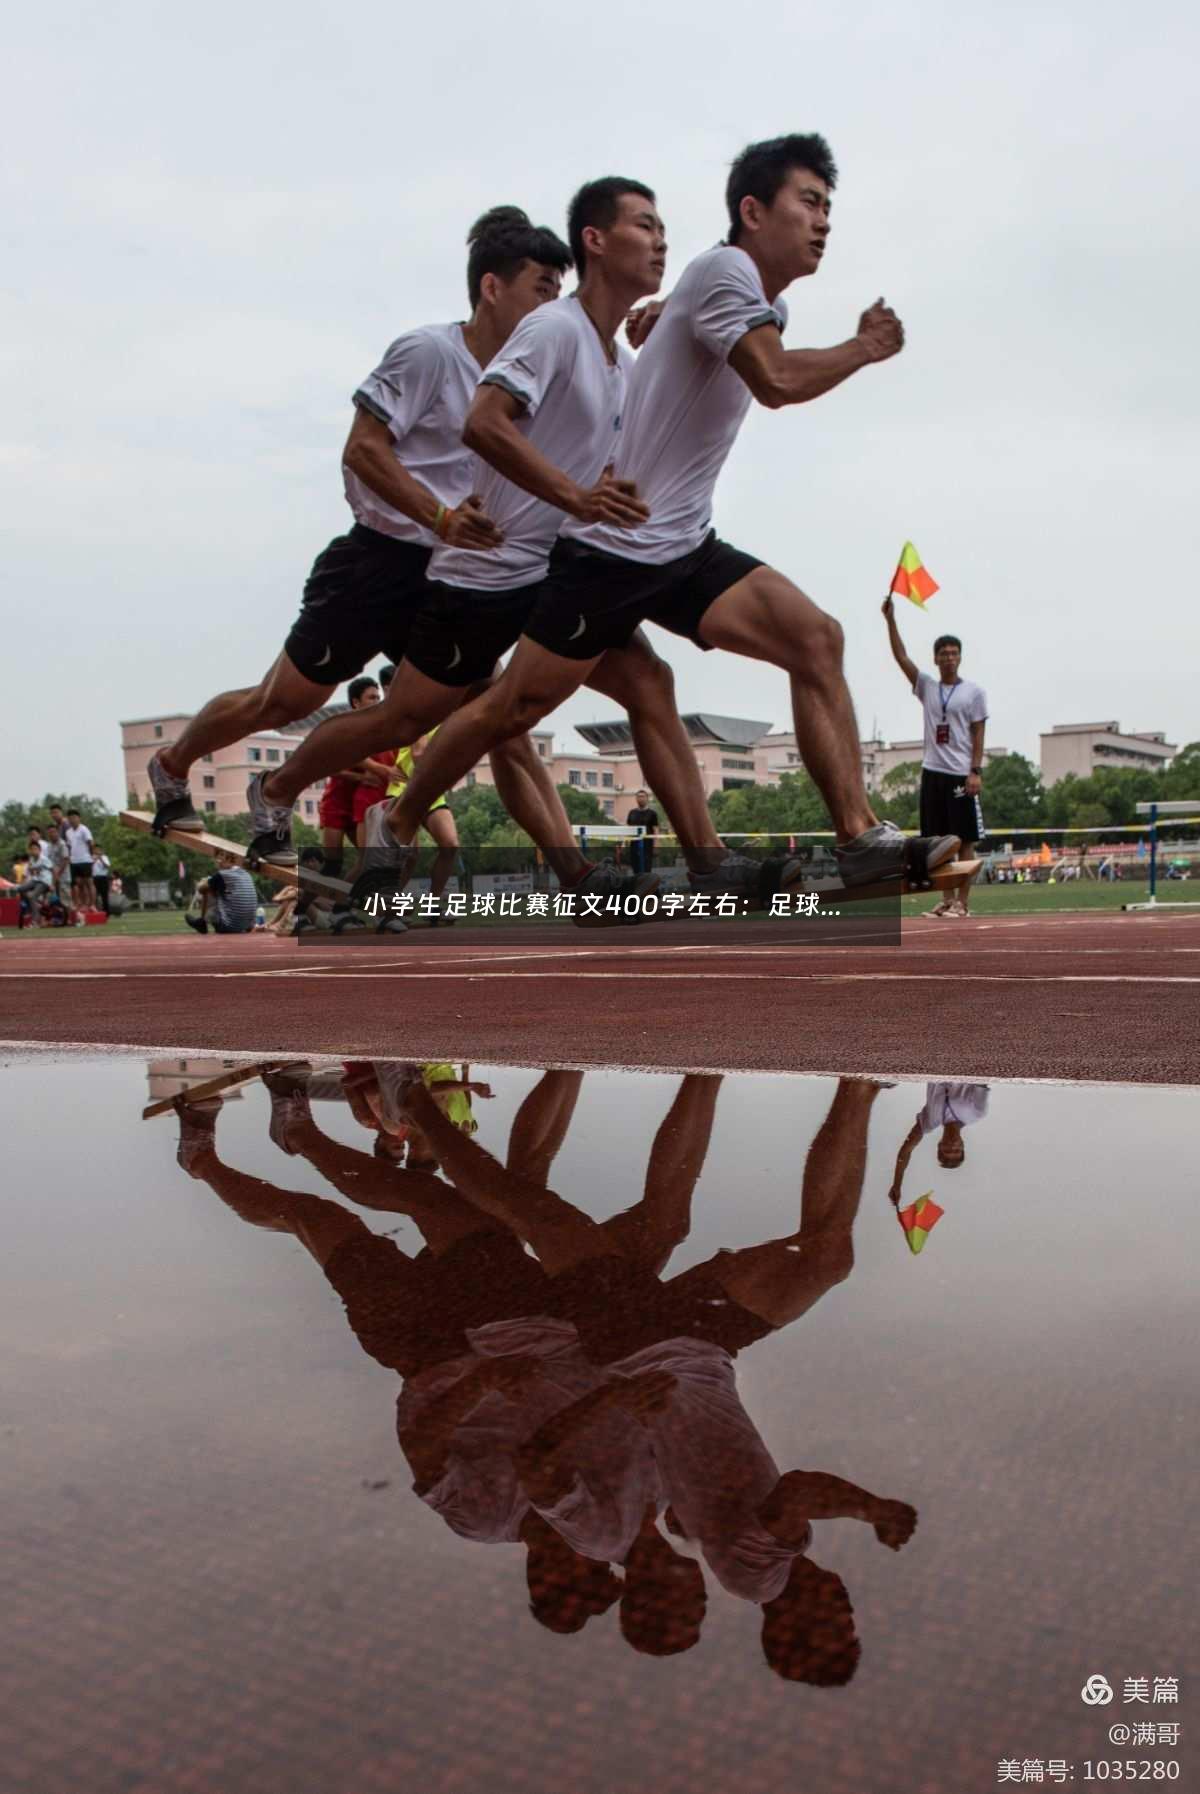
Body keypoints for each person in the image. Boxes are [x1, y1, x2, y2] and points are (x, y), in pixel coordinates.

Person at [379, 136, 960, 901]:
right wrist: (863, 346)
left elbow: (717, 346)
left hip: (682, 544)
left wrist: (674, 314)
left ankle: (853, 840)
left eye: (829, 207)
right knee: (512, 706)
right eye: (808, 203)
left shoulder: (748, 296)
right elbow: (776, 381)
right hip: (611, 550)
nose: (823, 223)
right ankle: (398, 821)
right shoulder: (724, 271)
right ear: (753, 211)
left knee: (814, 639)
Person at [279, 178, 752, 916]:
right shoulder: (548, 334)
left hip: (554, 572)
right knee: (409, 720)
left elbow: (630, 441)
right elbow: (481, 427)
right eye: (644, 227)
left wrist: (675, 323)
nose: (661, 242)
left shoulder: (617, 365)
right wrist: (537, 503)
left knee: (640, 686)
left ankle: (704, 860)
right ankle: (297, 795)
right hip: (479, 576)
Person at [142, 207, 576, 868]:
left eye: (559, 293)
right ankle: (175, 765)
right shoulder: (430, 352)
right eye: (542, 289)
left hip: (456, 576)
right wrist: (439, 518)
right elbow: (363, 450)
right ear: (493, 288)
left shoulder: (535, 378)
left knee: (501, 722)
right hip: (381, 558)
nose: (554, 307)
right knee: (285, 699)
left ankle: (574, 872)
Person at [883, 603, 987, 917]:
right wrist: (891, 620)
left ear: (960, 657)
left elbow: (979, 732)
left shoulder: (973, 692)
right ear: (935, 658)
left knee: (965, 839)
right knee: (937, 843)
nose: (949, 658)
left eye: (954, 653)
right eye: (943, 653)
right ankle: (946, 899)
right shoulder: (927, 686)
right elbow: (901, 657)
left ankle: (963, 903)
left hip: (960, 773)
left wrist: (975, 770)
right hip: (932, 772)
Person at [889, 1080, 991, 1201]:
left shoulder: (930, 1121)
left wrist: (897, 1184)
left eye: (947, 1149)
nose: (952, 1145)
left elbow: (906, 1150)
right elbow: (982, 1078)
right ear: (962, 1144)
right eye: (957, 1149)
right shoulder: (977, 1113)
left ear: (940, 1145)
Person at [184, 850, 259, 935]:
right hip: (247, 925)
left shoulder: (221, 875)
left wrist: (204, 881)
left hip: (228, 927)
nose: (216, 861)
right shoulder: (245, 873)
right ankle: (202, 922)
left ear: (224, 859)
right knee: (214, 889)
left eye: (218, 857)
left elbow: (201, 889)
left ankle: (202, 923)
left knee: (205, 890)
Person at [64, 809, 96, 912]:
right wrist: (69, 857)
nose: (72, 820)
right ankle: (83, 904)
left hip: (85, 860)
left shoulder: (84, 829)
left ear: (78, 818)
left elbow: (90, 843)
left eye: (74, 817)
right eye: (70, 818)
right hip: (74, 861)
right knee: (79, 884)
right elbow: (69, 846)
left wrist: (91, 855)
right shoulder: (68, 832)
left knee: (89, 882)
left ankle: (92, 904)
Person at [625, 788, 659, 875]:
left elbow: (656, 830)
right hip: (634, 845)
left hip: (647, 846)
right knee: (635, 869)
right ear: (636, 798)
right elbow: (628, 828)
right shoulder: (632, 813)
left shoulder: (652, 813)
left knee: (646, 869)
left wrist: (656, 846)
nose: (641, 798)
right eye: (639, 797)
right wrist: (624, 843)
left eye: (643, 796)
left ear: (647, 798)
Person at [92, 845, 112, 915]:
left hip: (103, 878)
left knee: (104, 896)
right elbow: (89, 867)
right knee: (94, 895)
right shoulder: (91, 857)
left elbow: (107, 866)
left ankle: (106, 912)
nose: (97, 851)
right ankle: (96, 911)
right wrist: (94, 859)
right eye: (95, 850)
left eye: (99, 850)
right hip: (94, 878)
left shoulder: (105, 857)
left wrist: (100, 859)